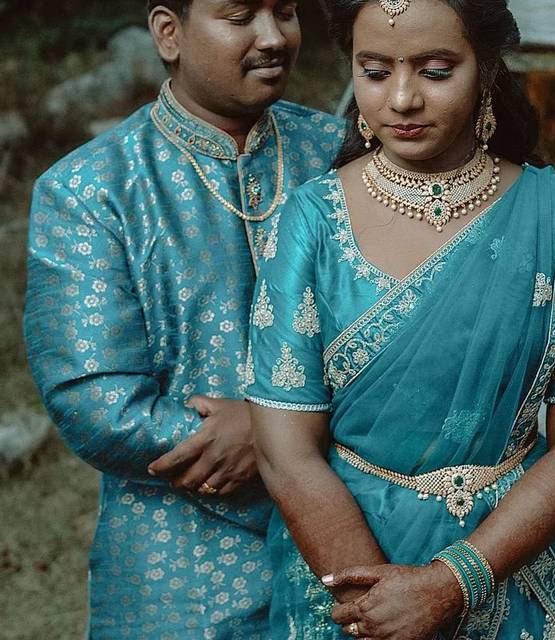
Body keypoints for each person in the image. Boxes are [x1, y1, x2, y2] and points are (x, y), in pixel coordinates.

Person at [243, 0, 555, 638]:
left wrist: (454, 583)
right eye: (373, 71)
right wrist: (376, 610)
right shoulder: (310, 220)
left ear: (485, 70)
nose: (401, 98)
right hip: (342, 568)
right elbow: (286, 452)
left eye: (436, 71)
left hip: (511, 566)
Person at [23, 0, 343, 637]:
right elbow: (94, 398)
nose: (274, 37)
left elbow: (417, 330)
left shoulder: (343, 156)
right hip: (179, 563)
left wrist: (274, 431)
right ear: (169, 33)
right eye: (241, 15)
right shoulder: (92, 188)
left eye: (285, 11)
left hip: (354, 535)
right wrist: (262, 439)